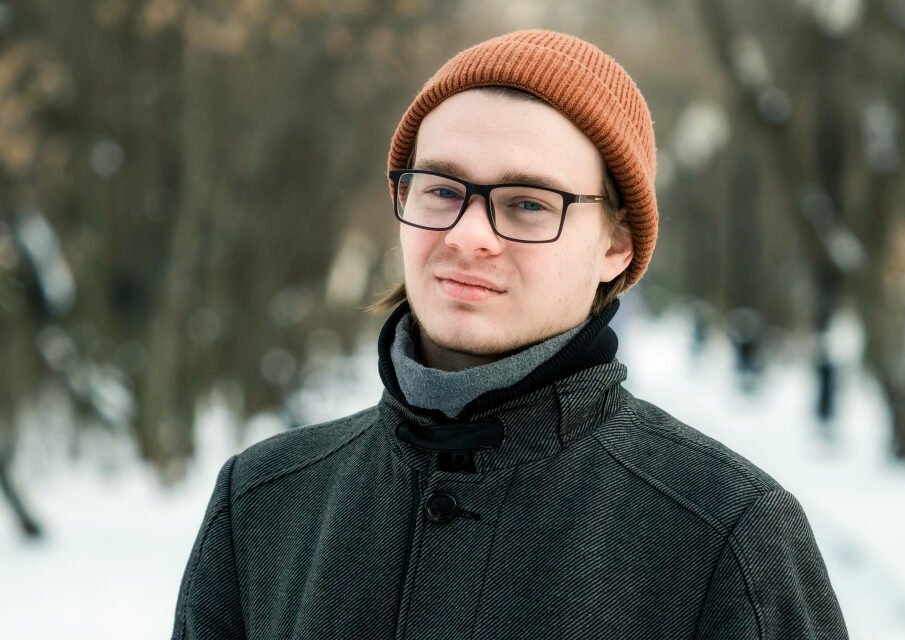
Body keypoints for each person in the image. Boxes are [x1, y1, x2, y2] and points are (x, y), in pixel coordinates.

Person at [171, 29, 848, 639]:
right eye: (440, 189)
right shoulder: (263, 502)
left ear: (615, 244)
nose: (468, 235)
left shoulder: (725, 531)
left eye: (527, 204)